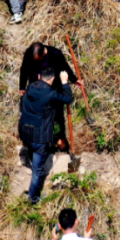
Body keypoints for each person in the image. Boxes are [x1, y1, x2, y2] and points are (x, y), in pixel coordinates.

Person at [19, 66, 73, 204]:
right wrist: (64, 82)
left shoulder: (30, 88)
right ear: (53, 79)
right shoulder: (51, 94)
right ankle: (33, 199)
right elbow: (68, 99)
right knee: (38, 171)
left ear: (39, 76)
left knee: (33, 156)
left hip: (25, 132)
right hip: (39, 137)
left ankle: (32, 163)